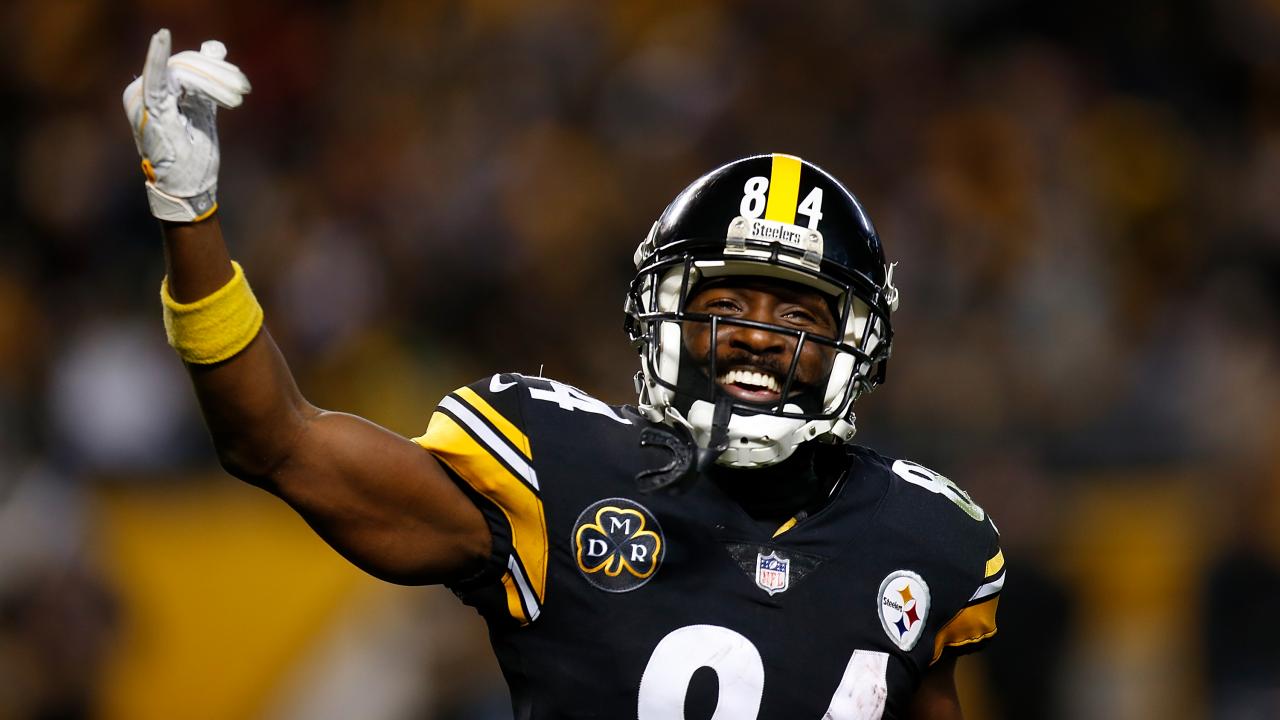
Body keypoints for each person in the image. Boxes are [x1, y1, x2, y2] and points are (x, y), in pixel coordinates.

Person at [123, 30, 1004, 720]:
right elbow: (275, 444)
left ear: (858, 342)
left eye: (799, 315)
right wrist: (189, 218)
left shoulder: (923, 540)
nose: (758, 337)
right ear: (666, 315)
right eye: (726, 304)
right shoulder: (556, 473)